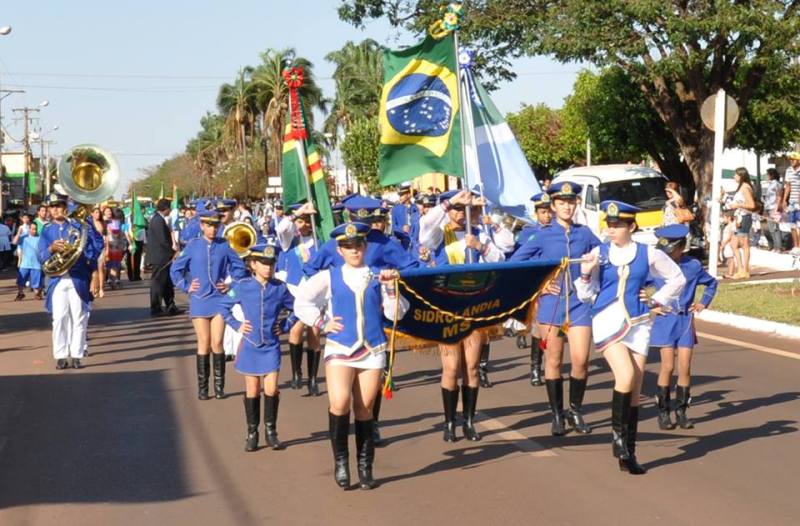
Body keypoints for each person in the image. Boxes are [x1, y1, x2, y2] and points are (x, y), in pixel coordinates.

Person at [294, 222, 408, 490]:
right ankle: (341, 461)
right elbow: (302, 301)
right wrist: (322, 323)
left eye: (358, 245)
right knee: (340, 401)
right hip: (340, 348)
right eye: (348, 246)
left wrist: (392, 289)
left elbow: (396, 313)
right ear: (339, 250)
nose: (354, 250)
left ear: (365, 247)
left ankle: (365, 466)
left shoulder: (379, 275)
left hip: (372, 348)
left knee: (365, 407)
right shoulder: (328, 276)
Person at [576, 200, 685, 475]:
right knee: (624, 376)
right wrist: (586, 275)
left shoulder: (648, 253)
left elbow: (677, 278)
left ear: (631, 226)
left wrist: (655, 298)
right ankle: (617, 440)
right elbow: (586, 296)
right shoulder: (599, 253)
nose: (611, 230)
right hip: (607, 320)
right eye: (609, 225)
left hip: (639, 322)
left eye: (617, 225)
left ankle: (630, 452)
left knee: (635, 386)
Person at [510, 182, 601, 436]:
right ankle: (557, 415)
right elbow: (516, 263)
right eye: (562, 203)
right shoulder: (542, 234)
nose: (567, 207)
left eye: (571, 202)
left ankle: (575, 411)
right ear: (553, 206)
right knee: (553, 360)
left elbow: (603, 254)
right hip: (551, 305)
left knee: (581, 360)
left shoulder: (584, 233)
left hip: (580, 303)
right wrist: (539, 286)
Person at [418, 189, 505, 442]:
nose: (461, 213)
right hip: (447, 308)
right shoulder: (438, 234)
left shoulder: (479, 234)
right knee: (451, 367)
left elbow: (500, 257)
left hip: (474, 308)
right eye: (457, 208)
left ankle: (468, 421)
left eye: (466, 208)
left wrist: (479, 246)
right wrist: (448, 204)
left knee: (472, 367)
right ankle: (449, 422)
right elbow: (424, 228)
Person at [222, 240, 294, 452]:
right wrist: (237, 325)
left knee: (271, 389)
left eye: (271, 263)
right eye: (263, 262)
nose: (268, 267)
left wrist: (286, 324)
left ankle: (271, 431)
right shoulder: (242, 286)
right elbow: (224, 307)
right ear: (252, 264)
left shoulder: (280, 288)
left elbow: (297, 308)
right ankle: (252, 432)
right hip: (251, 345)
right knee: (252, 390)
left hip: (271, 345)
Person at [170, 205, 248, 400]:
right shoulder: (193, 245)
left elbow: (240, 270)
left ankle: (219, 387)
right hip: (199, 299)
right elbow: (175, 269)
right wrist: (187, 286)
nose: (213, 229)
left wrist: (230, 286)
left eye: (216, 225)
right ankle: (203, 388)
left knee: (217, 342)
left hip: (219, 300)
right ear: (202, 225)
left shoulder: (225, 245)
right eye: (209, 225)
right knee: (203, 342)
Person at [650, 224, 718, 431]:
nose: (669, 255)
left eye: (672, 250)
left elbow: (712, 283)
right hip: (666, 319)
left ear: (682, 247)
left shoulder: (693, 266)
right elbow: (637, 286)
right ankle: (663, 412)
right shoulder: (656, 265)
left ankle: (681, 411)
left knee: (685, 366)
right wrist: (650, 307)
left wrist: (703, 302)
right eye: (665, 251)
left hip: (685, 319)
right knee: (667, 366)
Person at [37, 194, 101, 370]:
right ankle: (61, 355)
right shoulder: (47, 230)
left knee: (79, 317)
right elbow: (41, 256)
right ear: (49, 210)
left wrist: (94, 274)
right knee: (59, 318)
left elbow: (94, 249)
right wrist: (51, 248)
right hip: (57, 280)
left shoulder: (78, 226)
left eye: (59, 205)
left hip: (78, 277)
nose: (56, 209)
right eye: (53, 206)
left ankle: (77, 354)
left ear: (65, 207)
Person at [275, 201, 322, 395]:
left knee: (314, 335)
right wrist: (296, 214)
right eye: (300, 221)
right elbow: (280, 228)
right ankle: (296, 373)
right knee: (295, 332)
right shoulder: (289, 240)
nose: (303, 225)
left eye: (307, 220)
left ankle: (312, 378)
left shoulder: (321, 242)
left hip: (316, 294)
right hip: (295, 292)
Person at [516, 192, 553, 386]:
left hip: (556, 285)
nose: (547, 216)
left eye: (549, 212)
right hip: (537, 286)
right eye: (543, 212)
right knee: (539, 328)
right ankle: (536, 369)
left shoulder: (557, 231)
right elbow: (521, 259)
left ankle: (549, 365)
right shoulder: (529, 232)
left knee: (553, 330)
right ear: (536, 212)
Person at [146, 199, 180, 315]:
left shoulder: (158, 219)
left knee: (167, 283)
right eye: (169, 208)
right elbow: (163, 241)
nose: (170, 210)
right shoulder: (158, 221)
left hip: (163, 257)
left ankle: (171, 305)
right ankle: (155, 308)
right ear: (165, 208)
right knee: (158, 284)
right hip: (160, 257)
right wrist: (172, 252)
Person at [726, 167, 756, 279]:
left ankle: (745, 270)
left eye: (735, 175)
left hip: (744, 218)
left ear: (741, 176)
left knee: (744, 244)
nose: (734, 177)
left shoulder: (745, 187)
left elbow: (752, 205)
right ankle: (740, 269)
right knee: (734, 244)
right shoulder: (741, 187)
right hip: (739, 217)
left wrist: (738, 205)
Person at [15, 222, 43, 300]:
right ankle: (20, 293)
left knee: (36, 283)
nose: (34, 231)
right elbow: (14, 242)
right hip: (25, 264)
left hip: (36, 264)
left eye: (35, 229)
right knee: (21, 281)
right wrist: (18, 233)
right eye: (33, 229)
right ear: (29, 229)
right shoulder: (24, 238)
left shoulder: (40, 238)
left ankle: (37, 294)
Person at [391, 182, 420, 248]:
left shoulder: (416, 208)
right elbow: (393, 229)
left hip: (416, 244)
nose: (400, 197)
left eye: (402, 195)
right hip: (403, 244)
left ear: (409, 195)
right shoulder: (395, 209)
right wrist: (401, 228)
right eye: (399, 195)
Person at [782, 152, 800, 253]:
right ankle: (796, 246)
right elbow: (788, 186)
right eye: (790, 159)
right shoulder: (788, 170)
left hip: (798, 201)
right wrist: (785, 200)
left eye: (793, 159)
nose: (791, 161)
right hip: (792, 201)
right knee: (792, 224)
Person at [764, 168, 784, 252]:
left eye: (768, 174)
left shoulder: (777, 184)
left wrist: (776, 208)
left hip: (773, 208)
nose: (767, 176)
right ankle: (775, 246)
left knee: (776, 228)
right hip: (768, 207)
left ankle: (778, 247)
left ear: (772, 175)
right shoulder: (770, 184)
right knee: (771, 228)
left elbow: (779, 196)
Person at [105, 222, 127, 290]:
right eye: (114, 231)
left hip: (117, 253)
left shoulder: (121, 234)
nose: (115, 233)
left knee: (116, 266)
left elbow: (123, 243)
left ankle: (113, 280)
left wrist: (121, 247)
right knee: (111, 267)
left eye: (117, 231)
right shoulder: (107, 236)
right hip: (110, 253)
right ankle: (112, 280)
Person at [720, 212, 737, 278]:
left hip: (729, 244)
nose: (723, 219)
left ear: (729, 218)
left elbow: (730, 235)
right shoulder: (727, 226)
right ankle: (729, 272)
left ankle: (731, 273)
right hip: (726, 244)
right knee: (729, 259)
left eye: (724, 218)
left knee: (731, 258)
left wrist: (725, 243)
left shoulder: (731, 226)